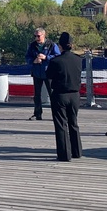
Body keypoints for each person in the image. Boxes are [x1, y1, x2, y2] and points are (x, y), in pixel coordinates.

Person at [45, 32, 83, 161]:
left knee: (61, 124)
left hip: (60, 94)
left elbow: (48, 77)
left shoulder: (55, 61)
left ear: (60, 46)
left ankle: (64, 154)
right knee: (73, 123)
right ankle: (77, 151)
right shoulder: (78, 60)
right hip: (75, 95)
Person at [25, 28, 60, 120]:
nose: (36, 38)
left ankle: (56, 114)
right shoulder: (32, 45)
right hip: (37, 72)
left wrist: (46, 57)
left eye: (38, 36)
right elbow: (27, 57)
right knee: (37, 95)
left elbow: (58, 57)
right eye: (35, 36)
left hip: (49, 73)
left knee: (52, 94)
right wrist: (33, 60)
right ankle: (37, 113)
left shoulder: (51, 45)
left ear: (44, 35)